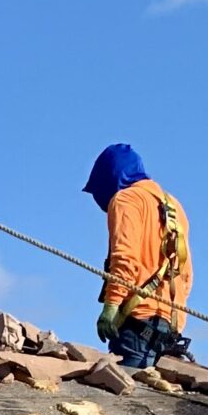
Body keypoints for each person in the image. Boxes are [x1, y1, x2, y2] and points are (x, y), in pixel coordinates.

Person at [83, 144, 192, 371]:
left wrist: (111, 306)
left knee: (123, 389)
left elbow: (125, 257)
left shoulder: (126, 199)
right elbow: (186, 274)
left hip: (137, 324)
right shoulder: (173, 206)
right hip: (170, 328)